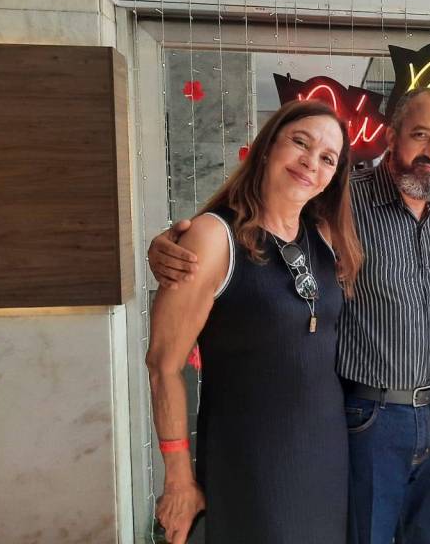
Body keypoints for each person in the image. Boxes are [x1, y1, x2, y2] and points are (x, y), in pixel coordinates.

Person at [148, 87, 430, 544]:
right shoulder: (343, 206)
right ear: (392, 137)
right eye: (420, 135)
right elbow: (165, 360)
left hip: (401, 425)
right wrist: (168, 247)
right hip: (347, 424)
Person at [145, 100, 362, 544]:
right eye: (300, 143)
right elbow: (163, 366)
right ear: (267, 148)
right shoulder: (213, 237)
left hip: (325, 453)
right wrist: (179, 479)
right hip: (250, 458)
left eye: (327, 158)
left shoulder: (324, 236)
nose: (311, 162)